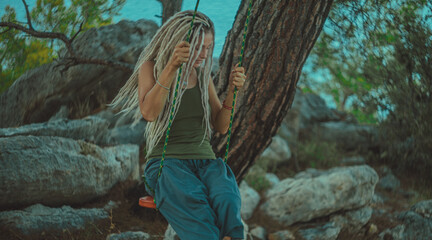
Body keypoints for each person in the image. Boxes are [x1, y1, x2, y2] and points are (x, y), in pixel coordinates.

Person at [110, 10, 246, 240]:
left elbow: (221, 126)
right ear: (180, 43)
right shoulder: (151, 68)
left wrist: (233, 91)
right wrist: (172, 68)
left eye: (208, 47)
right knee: (194, 201)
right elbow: (149, 113)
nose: (204, 54)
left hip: (206, 164)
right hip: (168, 165)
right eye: (198, 47)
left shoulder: (203, 76)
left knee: (226, 197)